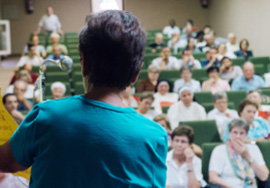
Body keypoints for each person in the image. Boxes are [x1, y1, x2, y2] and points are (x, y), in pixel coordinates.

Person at [0, 10, 168, 187]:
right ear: (137, 72)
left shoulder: (46, 116)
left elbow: (6, 161)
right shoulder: (155, 136)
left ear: (84, 63)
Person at [209, 118, 269, 188]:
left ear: (246, 135)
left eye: (242, 133)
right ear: (229, 134)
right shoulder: (219, 150)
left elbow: (264, 176)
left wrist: (247, 156)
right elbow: (213, 178)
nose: (238, 136)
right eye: (235, 132)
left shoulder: (253, 149)